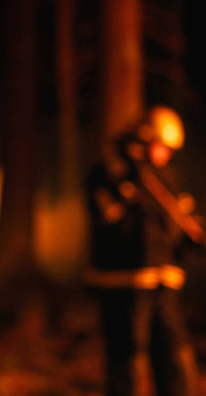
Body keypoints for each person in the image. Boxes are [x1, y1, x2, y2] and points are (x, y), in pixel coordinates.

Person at [85, 106, 202, 396]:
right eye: (162, 146)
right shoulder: (110, 171)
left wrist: (193, 238)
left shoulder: (164, 178)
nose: (166, 155)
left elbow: (173, 225)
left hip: (163, 282)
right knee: (128, 355)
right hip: (124, 284)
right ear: (145, 139)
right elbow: (105, 219)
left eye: (170, 150)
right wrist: (128, 184)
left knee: (173, 349)